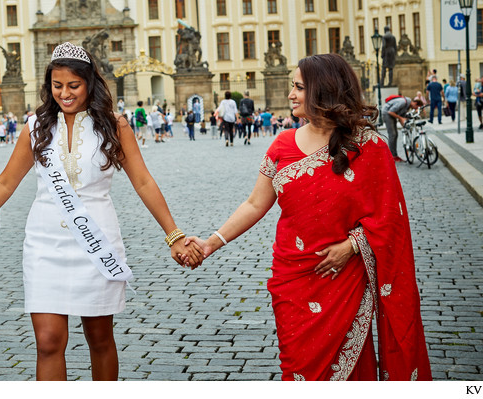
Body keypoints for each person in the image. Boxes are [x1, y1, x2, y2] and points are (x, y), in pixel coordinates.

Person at [0, 42, 201, 381]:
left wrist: (173, 234)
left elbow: (143, 182)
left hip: (97, 242)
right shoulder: (35, 127)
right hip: (44, 244)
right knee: (47, 342)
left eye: (73, 85)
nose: (65, 93)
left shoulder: (114, 126)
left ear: (89, 83)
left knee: (99, 339)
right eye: (57, 86)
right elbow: (4, 183)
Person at [185, 53, 432, 381]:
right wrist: (209, 244)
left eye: (299, 87)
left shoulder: (368, 146)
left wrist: (353, 246)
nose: (290, 94)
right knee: (297, 370)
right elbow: (255, 204)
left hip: (343, 280)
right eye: (292, 86)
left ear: (323, 90)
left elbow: (390, 218)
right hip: (293, 280)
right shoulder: (282, 145)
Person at [381, 95, 423, 162]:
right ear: (415, 103)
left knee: (395, 134)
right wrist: (401, 118)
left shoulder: (407, 106)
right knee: (393, 134)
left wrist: (405, 127)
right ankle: (393, 156)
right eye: (416, 108)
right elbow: (390, 112)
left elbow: (401, 118)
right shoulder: (403, 102)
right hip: (387, 113)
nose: (415, 109)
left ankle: (394, 155)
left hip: (390, 113)